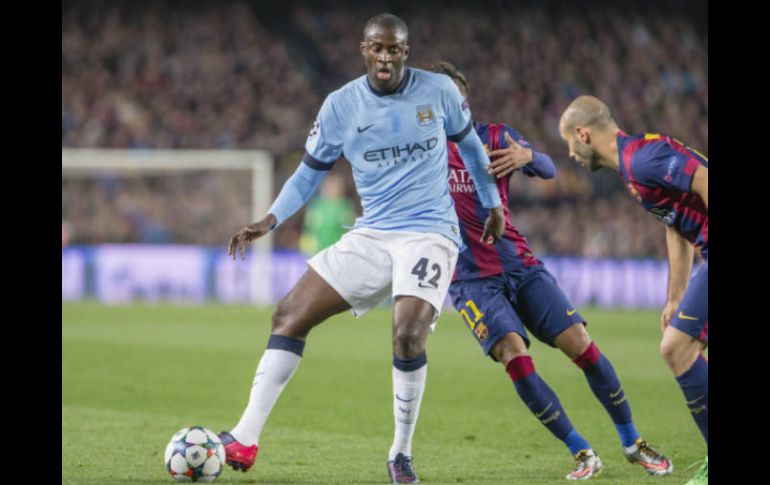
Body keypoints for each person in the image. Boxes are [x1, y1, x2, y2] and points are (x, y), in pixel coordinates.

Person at [222, 15, 505, 484]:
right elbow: (308, 173)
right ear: (364, 49)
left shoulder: (438, 91)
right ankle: (245, 437)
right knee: (288, 315)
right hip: (373, 233)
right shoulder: (341, 105)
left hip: (430, 232)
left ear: (405, 52)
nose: (385, 57)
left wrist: (492, 203)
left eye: (394, 49)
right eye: (378, 48)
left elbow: (472, 149)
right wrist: (269, 220)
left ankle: (401, 454)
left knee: (407, 334)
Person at [431, 61, 673, 481]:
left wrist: (528, 155)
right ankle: (581, 451)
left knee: (581, 344)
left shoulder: (495, 137)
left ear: (464, 101)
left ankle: (633, 442)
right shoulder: (423, 152)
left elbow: (548, 169)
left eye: (452, 97)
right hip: (471, 281)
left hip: (520, 265)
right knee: (514, 355)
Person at [559, 95, 708, 485]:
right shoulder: (632, 166)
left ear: (583, 134)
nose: (570, 154)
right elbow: (675, 223)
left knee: (676, 348)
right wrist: (675, 296)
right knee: (686, 347)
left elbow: (706, 180)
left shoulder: (642, 159)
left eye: (569, 143)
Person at [299, 173, 356, 255]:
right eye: (329, 185)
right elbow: (308, 229)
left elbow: (351, 228)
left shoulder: (345, 206)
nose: (332, 188)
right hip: (318, 251)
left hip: (338, 251)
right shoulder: (316, 205)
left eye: (335, 186)